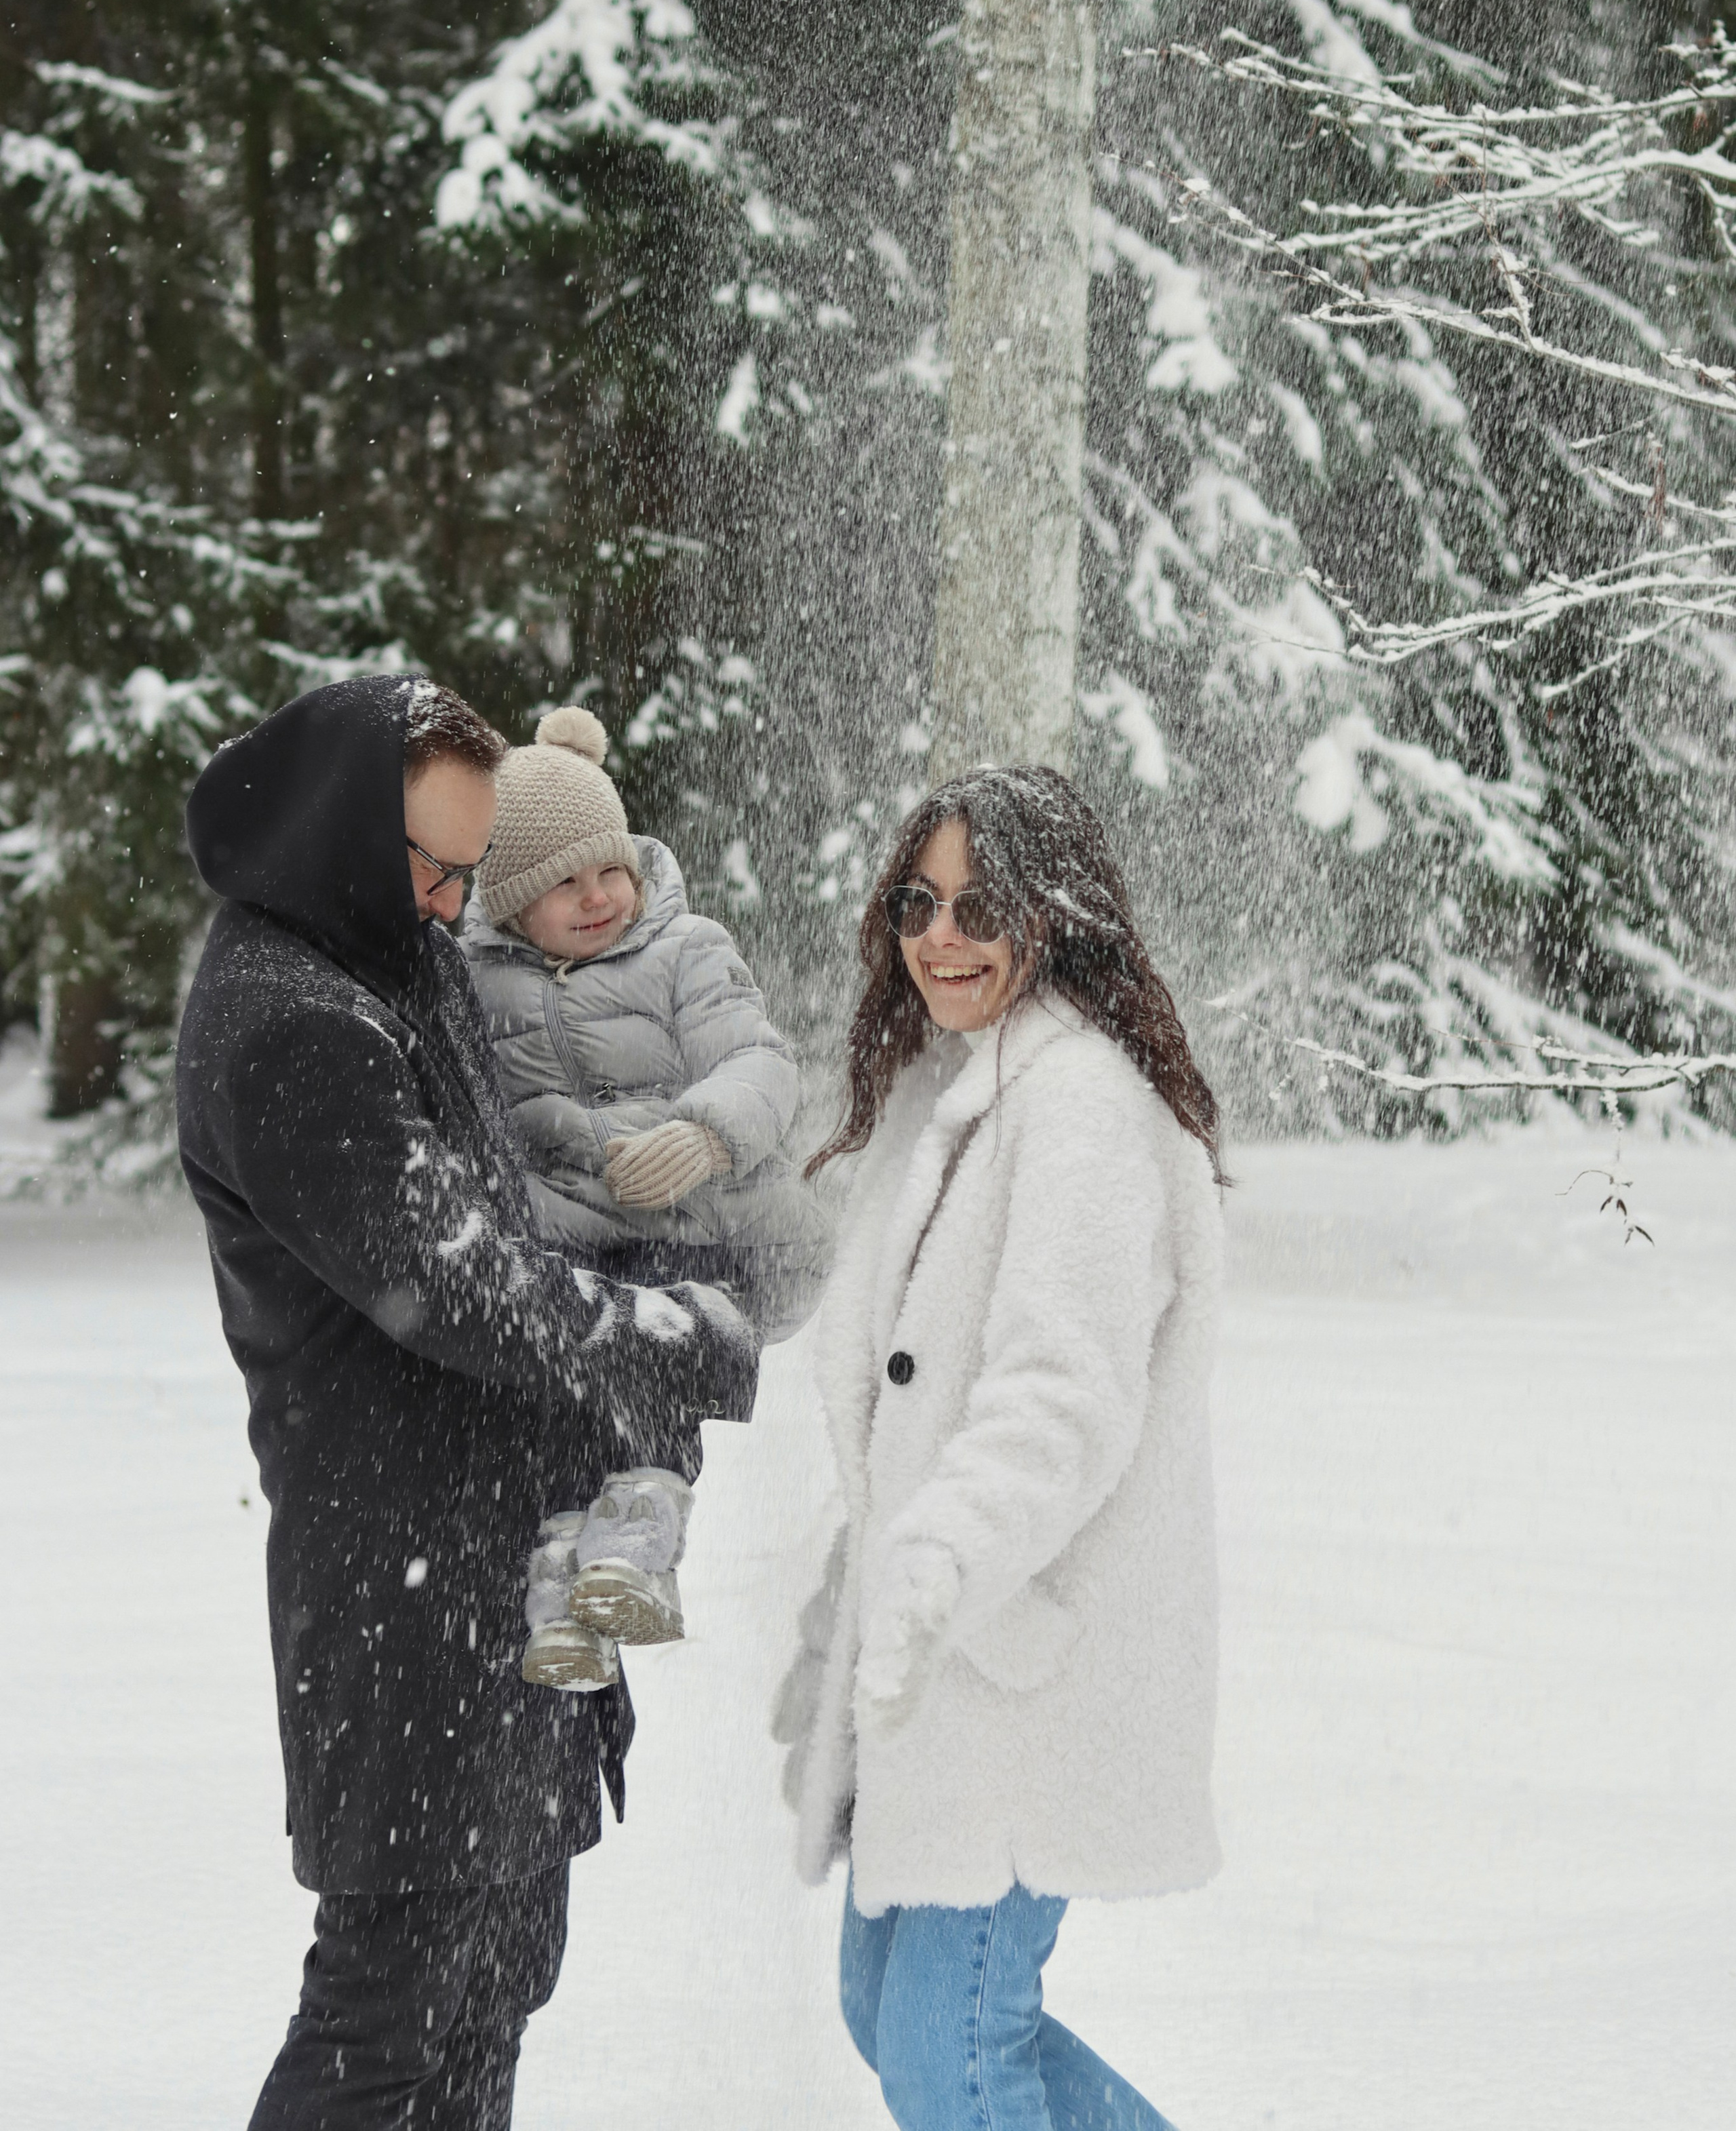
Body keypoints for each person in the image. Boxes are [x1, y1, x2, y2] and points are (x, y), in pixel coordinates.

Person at [176, 673, 758, 2131]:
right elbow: (460, 1284)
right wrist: (669, 1335)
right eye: (433, 866)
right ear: (346, 841)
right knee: (391, 2014)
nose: (455, 903)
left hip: (510, 1566)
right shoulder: (290, 1025)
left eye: (467, 867)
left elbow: (524, 1201)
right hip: (408, 1599)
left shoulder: (386, 950)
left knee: (496, 1986)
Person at [774, 765, 1225, 2131]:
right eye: (918, 901)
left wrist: (938, 1564)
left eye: (978, 905)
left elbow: (1059, 1397)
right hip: (944, 1670)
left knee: (950, 2052)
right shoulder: (953, 1092)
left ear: (1053, 912)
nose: (939, 935)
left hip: (1023, 1658)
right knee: (896, 2012)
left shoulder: (1076, 1105)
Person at [460, 702, 826, 1692]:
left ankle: (642, 1530)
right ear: (506, 901)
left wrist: (703, 1133)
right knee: (551, 1374)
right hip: (571, 1239)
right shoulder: (473, 982)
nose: (597, 896)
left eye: (609, 869)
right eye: (563, 883)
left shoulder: (685, 950)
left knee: (658, 1331)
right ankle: (563, 1589)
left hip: (694, 1225)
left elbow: (761, 1060)